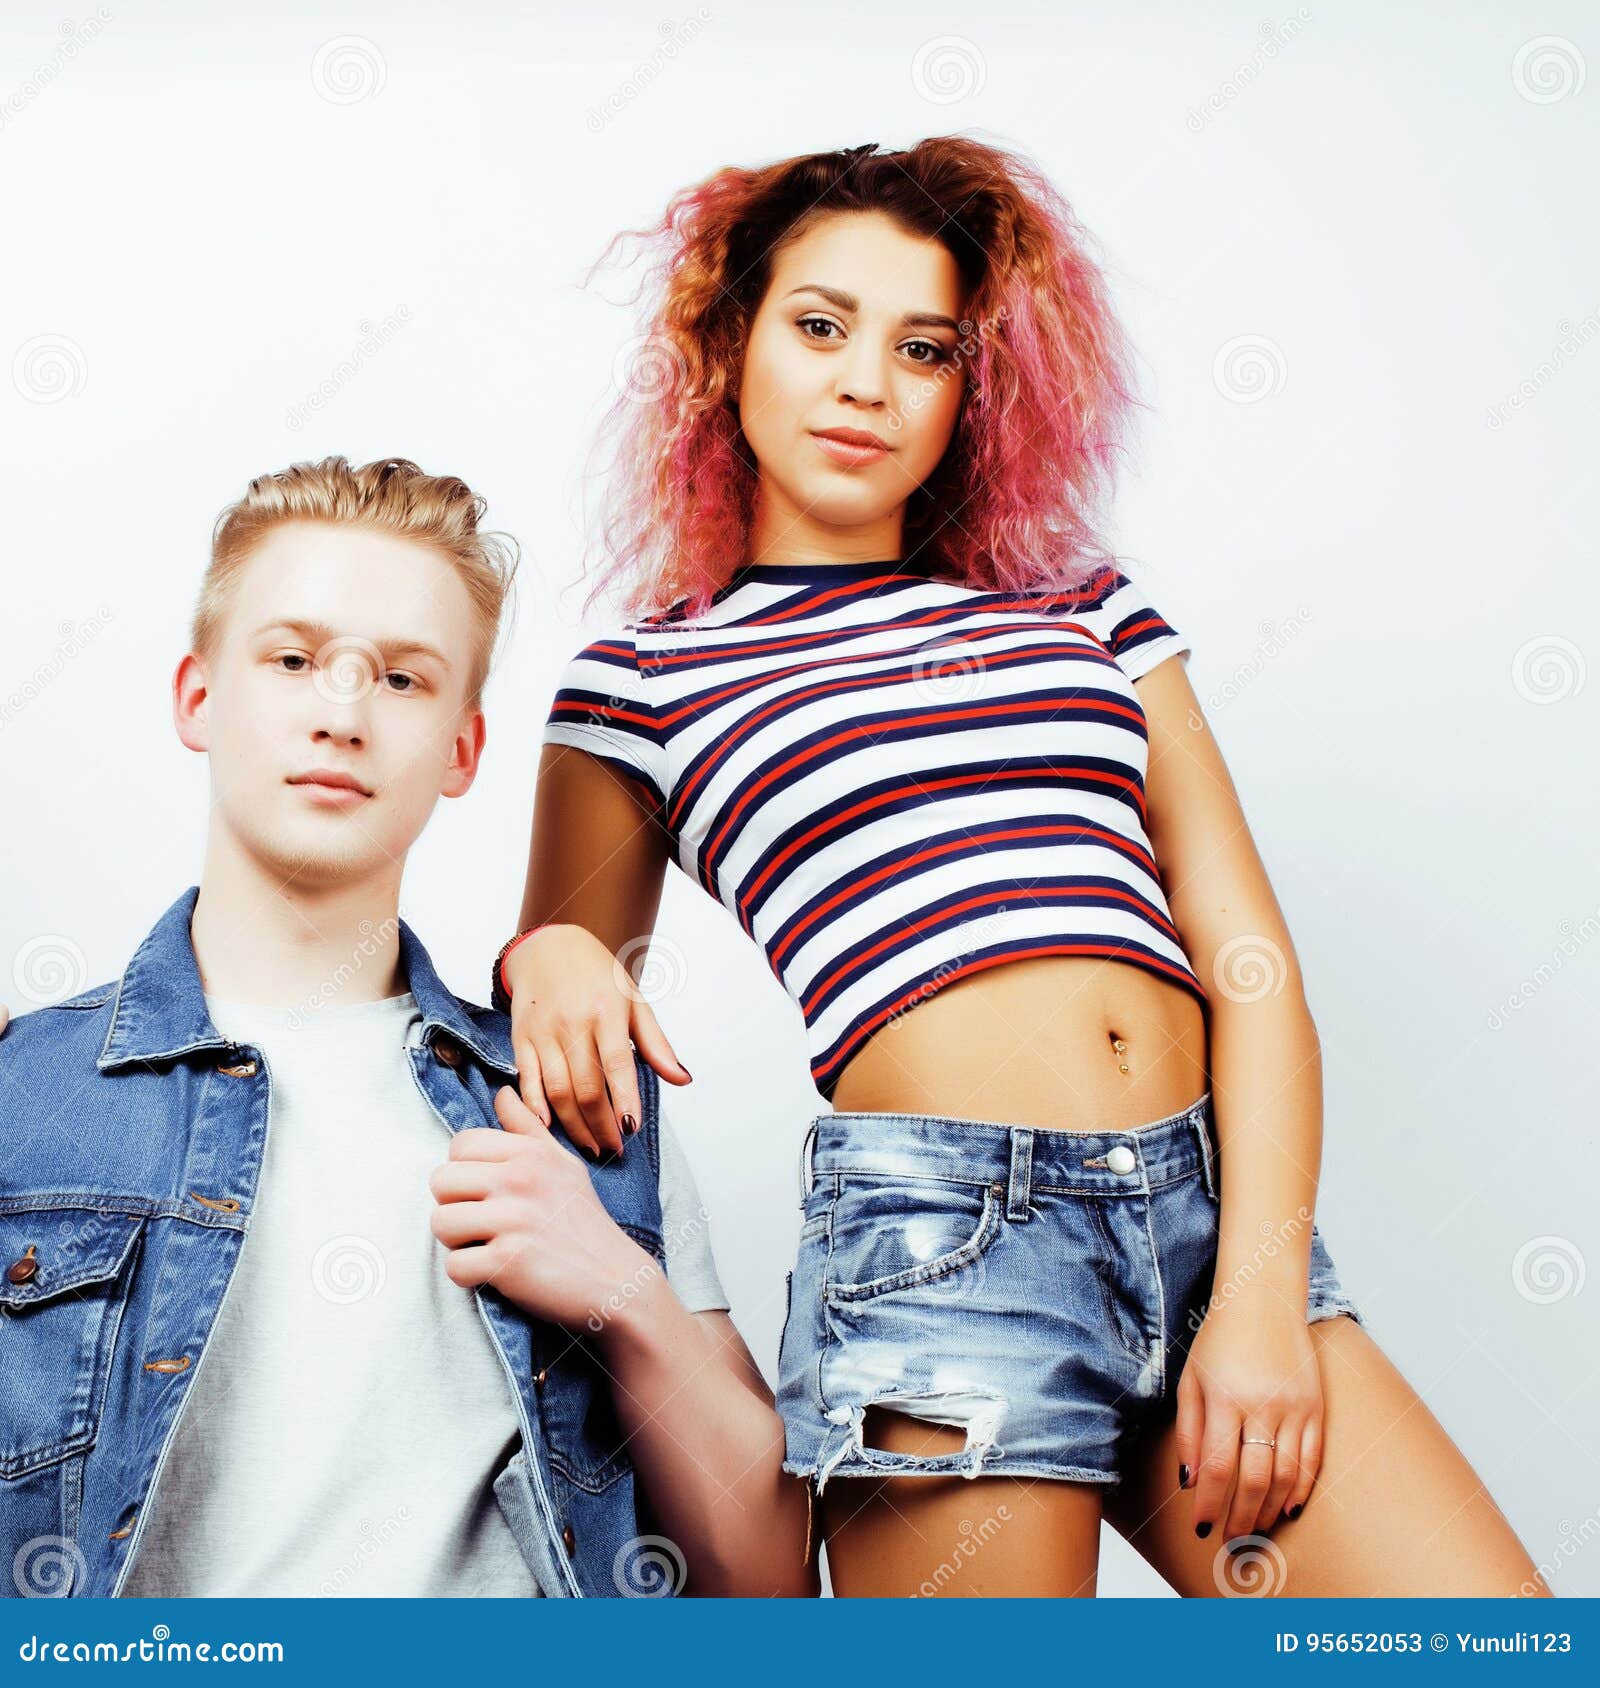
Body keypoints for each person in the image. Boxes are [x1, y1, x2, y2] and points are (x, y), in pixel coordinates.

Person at [480, 138, 1550, 1597]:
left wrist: (1252, 1300)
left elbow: (1251, 963)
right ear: (728, 348)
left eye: (923, 348)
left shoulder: (1083, 607)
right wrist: (543, 951)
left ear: (971, 388)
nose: (866, 381)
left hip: (1211, 1214)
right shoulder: (645, 676)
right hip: (942, 1262)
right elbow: (569, 1019)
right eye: (819, 327)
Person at [0, 455, 814, 1599]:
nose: (340, 712)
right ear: (197, 697)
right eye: (292, 658)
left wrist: (622, 1295)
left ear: (462, 750)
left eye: (400, 679)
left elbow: (771, 1579)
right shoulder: (23, 1096)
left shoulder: (576, 1096)